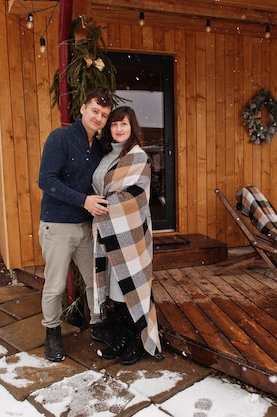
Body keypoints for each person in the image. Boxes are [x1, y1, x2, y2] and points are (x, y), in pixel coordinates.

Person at [38, 88, 115, 362]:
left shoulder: (98, 147)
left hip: (86, 227)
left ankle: (98, 326)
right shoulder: (60, 138)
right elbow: (46, 180)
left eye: (104, 115)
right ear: (83, 108)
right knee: (56, 285)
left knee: (96, 281)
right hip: (58, 226)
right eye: (95, 111)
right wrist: (83, 201)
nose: (99, 117)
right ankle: (52, 333)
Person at [91, 106, 163, 365]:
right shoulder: (105, 156)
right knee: (114, 288)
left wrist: (106, 206)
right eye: (114, 125)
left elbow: (138, 195)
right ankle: (120, 340)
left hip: (130, 232)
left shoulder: (138, 157)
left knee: (129, 287)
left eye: (124, 124)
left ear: (132, 128)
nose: (118, 129)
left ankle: (136, 342)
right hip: (106, 231)